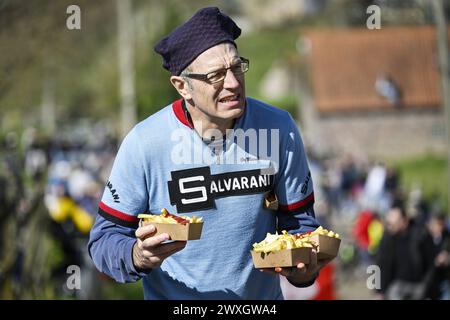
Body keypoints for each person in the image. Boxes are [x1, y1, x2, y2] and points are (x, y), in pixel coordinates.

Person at [88, 7, 330, 299]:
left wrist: (305, 268)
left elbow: (300, 225)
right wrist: (136, 255)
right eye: (216, 75)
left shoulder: (279, 129)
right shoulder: (145, 143)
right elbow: (103, 241)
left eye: (237, 67)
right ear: (183, 87)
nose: (232, 83)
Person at [375, 201, 435, 300]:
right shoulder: (387, 239)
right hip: (396, 287)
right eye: (388, 223)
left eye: (393, 224)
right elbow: (380, 264)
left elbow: (431, 262)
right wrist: (378, 291)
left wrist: (427, 285)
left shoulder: (421, 235)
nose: (390, 227)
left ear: (404, 221)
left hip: (419, 286)